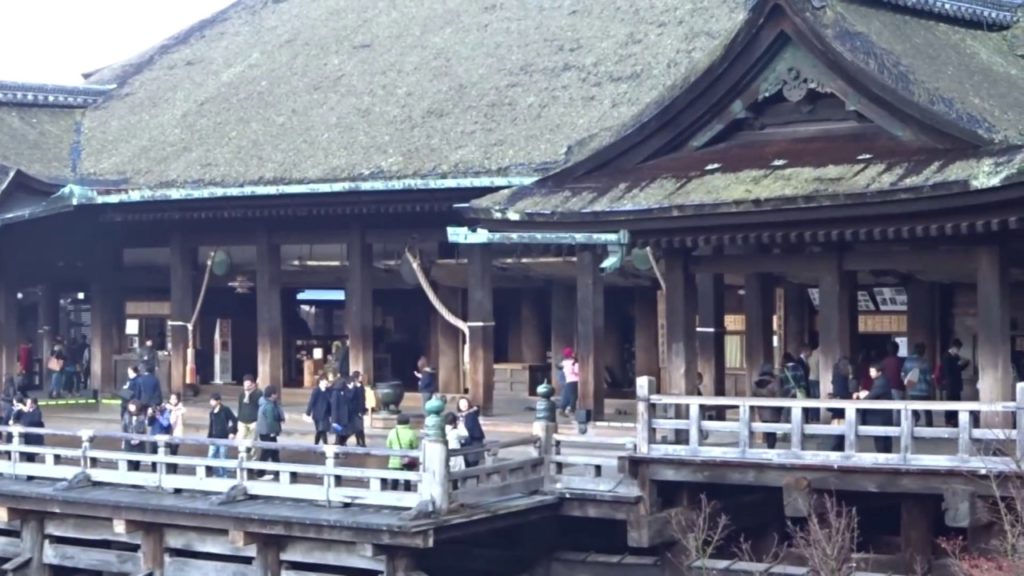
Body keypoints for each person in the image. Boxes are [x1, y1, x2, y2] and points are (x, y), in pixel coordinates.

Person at [856, 363, 894, 453]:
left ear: (879, 372)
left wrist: (862, 396)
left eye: (872, 371)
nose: (870, 373)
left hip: (880, 416)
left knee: (881, 440)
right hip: (883, 416)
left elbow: (871, 396)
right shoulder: (881, 381)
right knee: (884, 439)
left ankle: (883, 458)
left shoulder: (881, 382)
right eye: (870, 371)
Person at [256, 385, 285, 479]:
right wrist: (274, 432)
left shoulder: (266, 403)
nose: (277, 395)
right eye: (275, 393)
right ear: (272, 395)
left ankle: (278, 470)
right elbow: (271, 421)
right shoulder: (269, 406)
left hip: (264, 431)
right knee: (266, 452)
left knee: (274, 452)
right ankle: (260, 473)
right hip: (268, 432)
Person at [751, 363, 782, 449]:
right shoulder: (774, 382)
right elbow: (779, 396)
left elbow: (753, 396)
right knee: (772, 433)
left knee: (767, 431)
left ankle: (769, 448)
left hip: (762, 412)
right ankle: (771, 448)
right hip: (773, 412)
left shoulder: (756, 383)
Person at [903, 342, 934, 428]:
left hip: (912, 390)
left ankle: (913, 425)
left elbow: (903, 374)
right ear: (922, 351)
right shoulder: (925, 362)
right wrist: (932, 382)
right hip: (924, 391)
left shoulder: (907, 361)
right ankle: (929, 428)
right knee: (927, 411)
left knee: (912, 409)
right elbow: (928, 378)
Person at [385, 413, 419, 491]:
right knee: (407, 481)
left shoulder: (392, 432)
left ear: (397, 422)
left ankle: (393, 495)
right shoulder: (411, 433)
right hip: (407, 461)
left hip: (394, 461)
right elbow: (415, 446)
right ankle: (407, 495)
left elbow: (388, 445)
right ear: (408, 422)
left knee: (394, 481)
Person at [207, 392, 237, 478]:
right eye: (211, 400)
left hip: (223, 437)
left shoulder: (225, 410)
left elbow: (234, 420)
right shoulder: (212, 412)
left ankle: (223, 475)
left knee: (223, 456)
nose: (211, 402)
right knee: (211, 456)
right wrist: (209, 437)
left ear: (218, 401)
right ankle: (216, 473)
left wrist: (232, 432)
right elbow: (211, 425)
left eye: (213, 400)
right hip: (214, 437)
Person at [941, 339, 970, 427]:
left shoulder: (956, 356)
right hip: (950, 384)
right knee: (950, 402)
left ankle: (955, 420)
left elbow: (959, 369)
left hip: (957, 383)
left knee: (957, 402)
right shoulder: (946, 356)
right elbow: (947, 371)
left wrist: (965, 364)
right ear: (953, 347)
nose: (958, 350)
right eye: (958, 348)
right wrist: (958, 366)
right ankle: (948, 420)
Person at [829, 356, 854, 452]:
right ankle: (838, 449)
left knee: (837, 428)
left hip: (837, 404)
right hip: (842, 405)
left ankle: (837, 448)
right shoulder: (843, 377)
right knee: (841, 430)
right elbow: (845, 392)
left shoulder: (836, 373)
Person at [237, 375, 262, 459]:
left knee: (251, 442)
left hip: (253, 421)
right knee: (241, 439)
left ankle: (252, 457)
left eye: (248, 385)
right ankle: (242, 457)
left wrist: (249, 394)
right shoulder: (241, 394)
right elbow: (240, 407)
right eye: (245, 385)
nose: (246, 387)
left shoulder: (258, 394)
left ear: (253, 385)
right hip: (242, 421)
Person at [12, 397, 44, 463]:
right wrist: (17, 410)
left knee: (31, 456)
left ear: (33, 404)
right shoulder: (25, 411)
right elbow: (16, 419)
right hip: (26, 437)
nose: (26, 404)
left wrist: (22, 423)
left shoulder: (37, 412)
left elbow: (34, 422)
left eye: (28, 403)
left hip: (33, 438)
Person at [457, 396, 486, 467]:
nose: (464, 405)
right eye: (461, 403)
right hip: (464, 442)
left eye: (465, 403)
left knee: (472, 462)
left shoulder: (471, 415)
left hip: (473, 441)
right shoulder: (459, 416)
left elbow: (472, 430)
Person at [304, 376, 333, 445]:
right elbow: (311, 402)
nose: (326, 382)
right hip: (318, 414)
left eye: (327, 381)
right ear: (320, 381)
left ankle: (317, 444)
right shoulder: (316, 390)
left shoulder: (328, 391)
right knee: (321, 430)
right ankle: (323, 444)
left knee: (322, 430)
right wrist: (308, 413)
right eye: (325, 381)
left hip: (325, 414)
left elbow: (330, 402)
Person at [146, 402, 173, 472]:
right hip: (153, 437)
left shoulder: (166, 412)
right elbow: (148, 424)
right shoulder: (154, 412)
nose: (158, 407)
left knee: (162, 456)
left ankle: (162, 471)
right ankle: (154, 471)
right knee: (153, 456)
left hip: (163, 437)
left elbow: (166, 424)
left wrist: (159, 416)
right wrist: (149, 415)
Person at [122, 399, 148, 471]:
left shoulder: (142, 417)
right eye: (130, 406)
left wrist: (138, 438)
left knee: (137, 462)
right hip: (128, 441)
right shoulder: (126, 415)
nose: (131, 408)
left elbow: (143, 430)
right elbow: (124, 428)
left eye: (133, 406)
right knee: (129, 461)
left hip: (139, 442)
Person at [164, 392, 186, 474]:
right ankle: (167, 471)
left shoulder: (181, 409)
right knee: (166, 452)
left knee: (174, 452)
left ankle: (173, 471)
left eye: (175, 399)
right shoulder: (166, 409)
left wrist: (176, 411)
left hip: (176, 433)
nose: (173, 400)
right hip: (167, 432)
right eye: (172, 399)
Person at [444, 412, 466, 489]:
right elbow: (465, 434)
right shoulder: (455, 432)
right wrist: (461, 424)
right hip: (455, 457)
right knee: (455, 479)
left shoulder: (442, 430)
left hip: (445, 456)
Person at [800, 343, 821, 422]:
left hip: (810, 378)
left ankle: (812, 416)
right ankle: (816, 417)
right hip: (816, 378)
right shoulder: (820, 354)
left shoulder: (812, 354)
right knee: (816, 398)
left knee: (812, 398)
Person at [347, 371, 367, 447]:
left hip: (360, 409)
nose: (361, 377)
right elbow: (350, 397)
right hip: (354, 410)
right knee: (357, 427)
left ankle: (362, 442)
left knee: (360, 427)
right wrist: (353, 387)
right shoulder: (353, 387)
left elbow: (363, 399)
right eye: (360, 376)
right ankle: (358, 441)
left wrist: (363, 409)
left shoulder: (361, 386)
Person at [329, 375, 351, 445]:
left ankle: (340, 441)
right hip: (338, 416)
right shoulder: (335, 393)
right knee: (339, 430)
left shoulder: (344, 392)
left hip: (344, 415)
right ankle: (338, 442)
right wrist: (334, 419)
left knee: (343, 431)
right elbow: (334, 407)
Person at [559, 347, 580, 418]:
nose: (574, 353)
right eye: (572, 352)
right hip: (575, 381)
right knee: (574, 396)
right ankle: (571, 409)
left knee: (566, 396)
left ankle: (562, 409)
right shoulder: (574, 362)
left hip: (568, 381)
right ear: (571, 354)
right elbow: (577, 371)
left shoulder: (564, 362)